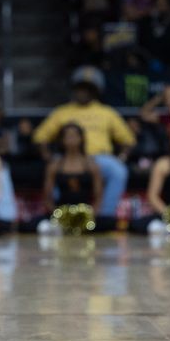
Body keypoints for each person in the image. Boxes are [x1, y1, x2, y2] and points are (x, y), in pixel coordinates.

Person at [32, 66, 133, 225]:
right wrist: (47, 155)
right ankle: (60, 215)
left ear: (96, 91)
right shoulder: (62, 112)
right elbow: (40, 136)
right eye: (80, 88)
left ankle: (103, 217)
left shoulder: (106, 112)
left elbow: (128, 139)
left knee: (119, 170)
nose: (83, 92)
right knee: (54, 167)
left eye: (88, 88)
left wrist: (123, 156)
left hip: (100, 159)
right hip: (68, 156)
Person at [42, 123, 103, 211]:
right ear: (62, 140)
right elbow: (47, 197)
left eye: (75, 135)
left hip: (85, 213)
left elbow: (98, 197)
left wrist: (90, 215)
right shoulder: (54, 166)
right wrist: (58, 215)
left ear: (81, 138)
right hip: (61, 212)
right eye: (68, 136)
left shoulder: (91, 165)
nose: (71, 139)